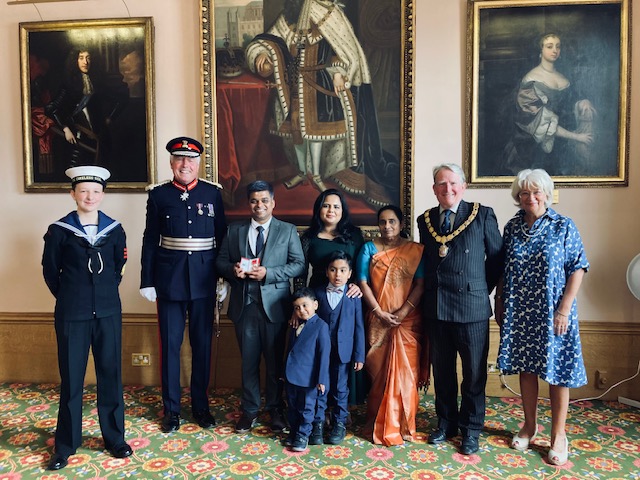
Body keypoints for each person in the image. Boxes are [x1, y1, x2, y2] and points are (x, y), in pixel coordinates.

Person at [245, 0, 398, 205]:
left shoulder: (331, 13)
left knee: (316, 132)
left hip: (321, 84)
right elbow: (264, 42)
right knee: (297, 131)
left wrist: (339, 73)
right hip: (293, 85)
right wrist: (261, 57)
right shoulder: (289, 17)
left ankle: (315, 174)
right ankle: (301, 171)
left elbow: (345, 51)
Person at [495, 169, 589, 466]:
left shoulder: (563, 225)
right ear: (518, 197)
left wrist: (564, 309)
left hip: (554, 311)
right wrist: (499, 300)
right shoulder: (512, 227)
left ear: (547, 194)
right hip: (520, 309)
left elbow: (578, 268)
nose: (530, 198)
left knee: (557, 372)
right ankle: (529, 425)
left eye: (536, 192)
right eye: (524, 193)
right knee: (527, 368)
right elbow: (503, 268)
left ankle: (558, 435)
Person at [42, 166, 131, 470]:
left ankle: (115, 439)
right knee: (72, 380)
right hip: (72, 314)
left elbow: (118, 268)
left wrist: (100, 296)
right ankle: (66, 444)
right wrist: (72, 297)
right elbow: (50, 272)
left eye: (95, 191)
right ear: (73, 194)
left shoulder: (115, 229)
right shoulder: (59, 230)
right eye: (83, 191)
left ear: (102, 195)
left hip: (107, 312)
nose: (89, 196)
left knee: (111, 376)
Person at [140, 136, 227, 433]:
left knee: (201, 347)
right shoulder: (159, 195)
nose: (185, 164)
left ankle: (201, 407)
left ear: (198, 164)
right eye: (179, 159)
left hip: (204, 281)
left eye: (190, 160)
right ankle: (172, 410)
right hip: (169, 282)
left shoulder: (212, 194)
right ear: (171, 163)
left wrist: (222, 278)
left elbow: (222, 240)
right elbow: (150, 240)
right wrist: (147, 280)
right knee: (170, 348)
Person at [417, 163, 503, 455]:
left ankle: (471, 429)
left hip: (472, 309)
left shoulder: (482, 214)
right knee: (442, 372)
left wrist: (479, 290)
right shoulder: (425, 220)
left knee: (473, 374)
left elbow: (496, 261)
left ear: (463, 186)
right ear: (434, 189)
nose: (448, 189)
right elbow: (428, 262)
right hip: (437, 308)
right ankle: (446, 422)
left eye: (453, 183)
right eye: (441, 184)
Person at [216, 180, 305, 434]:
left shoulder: (287, 231)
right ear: (249, 203)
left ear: (273, 203)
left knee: (276, 363)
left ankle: (276, 408)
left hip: (275, 307)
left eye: (264, 200)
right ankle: (250, 409)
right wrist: (232, 270)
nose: (259, 205)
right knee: (249, 362)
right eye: (254, 200)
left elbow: (298, 264)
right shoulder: (234, 230)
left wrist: (269, 272)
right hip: (244, 307)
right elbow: (220, 261)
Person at [357, 205, 428, 446]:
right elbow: (363, 282)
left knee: (407, 375)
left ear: (400, 224)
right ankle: (378, 420)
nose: (387, 226)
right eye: (383, 222)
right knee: (378, 374)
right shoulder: (368, 248)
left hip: (407, 322)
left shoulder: (414, 251)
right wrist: (379, 312)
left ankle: (404, 424)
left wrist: (402, 312)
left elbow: (420, 284)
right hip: (378, 321)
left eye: (392, 222)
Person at [502, 33, 595, 176]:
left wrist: (583, 102)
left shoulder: (563, 77)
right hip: (535, 147)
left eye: (558, 46)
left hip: (563, 142)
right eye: (549, 46)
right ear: (541, 50)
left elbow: (569, 103)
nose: (555, 50)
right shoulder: (531, 79)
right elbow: (540, 123)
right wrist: (576, 137)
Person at [311, 251, 365, 445]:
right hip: (320, 352)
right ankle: (317, 423)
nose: (338, 275)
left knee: (341, 388)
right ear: (326, 272)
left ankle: (339, 423)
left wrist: (359, 355)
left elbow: (359, 327)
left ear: (350, 273)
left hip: (344, 352)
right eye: (333, 270)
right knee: (319, 387)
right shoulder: (316, 294)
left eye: (343, 270)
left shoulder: (354, 296)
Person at [45, 47, 127, 169]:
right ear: (75, 61)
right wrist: (66, 128)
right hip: (78, 139)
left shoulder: (97, 83)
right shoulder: (68, 85)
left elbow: (120, 100)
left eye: (88, 58)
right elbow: (50, 108)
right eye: (81, 58)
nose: (85, 62)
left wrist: (110, 118)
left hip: (99, 138)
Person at [283, 288, 331, 452]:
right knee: (293, 407)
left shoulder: (321, 326)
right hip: (292, 376)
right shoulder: (296, 325)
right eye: (297, 307)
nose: (301, 310)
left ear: (315, 305)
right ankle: (295, 431)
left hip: (309, 378)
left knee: (307, 408)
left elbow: (324, 355)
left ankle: (304, 434)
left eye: (305, 305)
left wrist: (321, 379)